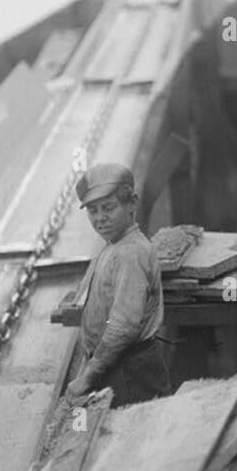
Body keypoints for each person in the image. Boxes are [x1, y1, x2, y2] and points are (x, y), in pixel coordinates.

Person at [65, 162, 172, 406]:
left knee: (133, 436)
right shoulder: (113, 245)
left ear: (132, 204)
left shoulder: (130, 253)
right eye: (92, 211)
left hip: (131, 371)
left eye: (108, 208)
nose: (100, 218)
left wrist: (87, 376)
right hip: (116, 365)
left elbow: (123, 327)